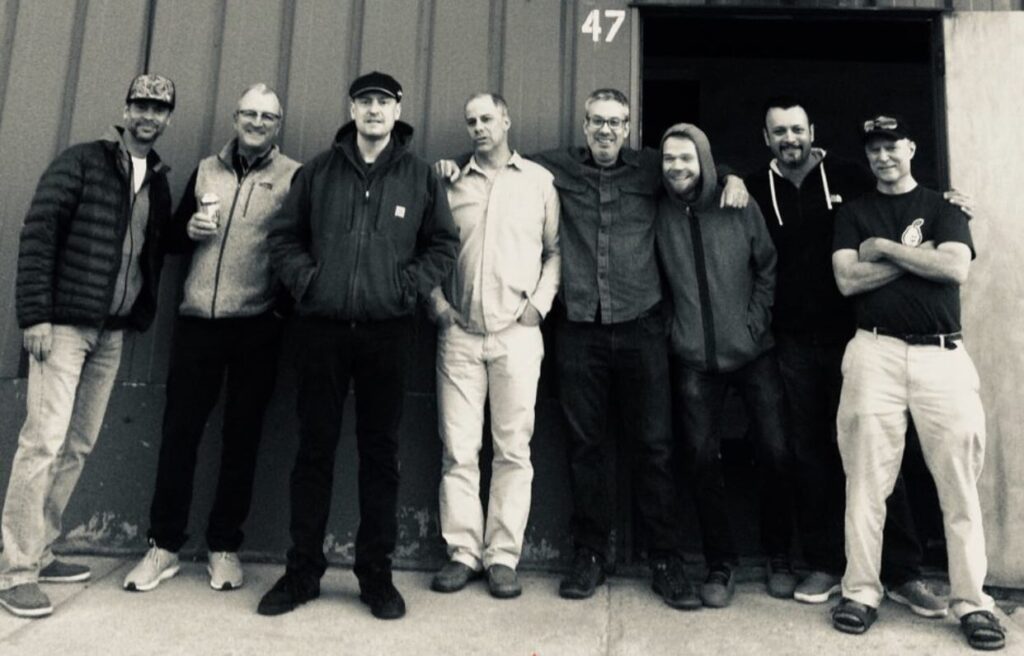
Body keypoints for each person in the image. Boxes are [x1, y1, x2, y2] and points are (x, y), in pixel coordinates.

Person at [435, 88, 748, 610]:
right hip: (580, 329)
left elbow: (693, 168)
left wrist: (732, 175)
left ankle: (665, 560)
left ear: (627, 128)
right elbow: (493, 158)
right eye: (597, 122)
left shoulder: (650, 167)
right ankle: (590, 555)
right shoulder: (555, 168)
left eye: (615, 122)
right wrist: (449, 166)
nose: (605, 130)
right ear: (584, 126)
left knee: (654, 447)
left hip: (641, 327)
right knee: (586, 448)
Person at [258, 71, 458, 620]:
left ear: (397, 111)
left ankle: (376, 577)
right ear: (352, 109)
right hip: (321, 331)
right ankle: (302, 573)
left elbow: (443, 243)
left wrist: (405, 288)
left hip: (387, 332)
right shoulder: (318, 172)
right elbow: (283, 238)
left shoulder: (419, 177)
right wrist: (309, 283)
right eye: (365, 101)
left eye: (383, 102)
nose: (374, 110)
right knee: (314, 452)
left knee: (380, 455)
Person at [744, 97, 943, 614]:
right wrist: (725, 178)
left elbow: (905, 198)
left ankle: (902, 571)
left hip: (857, 336)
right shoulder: (753, 187)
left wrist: (949, 203)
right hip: (791, 342)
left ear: (812, 130)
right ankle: (826, 562)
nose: (789, 139)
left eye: (797, 128)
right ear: (766, 139)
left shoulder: (851, 176)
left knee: (879, 451)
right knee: (810, 453)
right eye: (779, 131)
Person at [0, 74, 175, 618]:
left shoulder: (159, 181)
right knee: (43, 443)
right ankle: (14, 570)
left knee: (77, 444)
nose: (148, 115)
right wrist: (36, 316)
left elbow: (153, 248)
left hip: (111, 332)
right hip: (63, 328)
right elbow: (38, 234)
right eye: (140, 105)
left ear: (168, 118)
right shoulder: (81, 162)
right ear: (125, 109)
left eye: (159, 108)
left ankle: (41, 548)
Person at [829, 114, 1003, 651]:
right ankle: (861, 591)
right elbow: (847, 279)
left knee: (959, 486)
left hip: (941, 355)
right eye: (874, 149)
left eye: (892, 146)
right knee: (865, 483)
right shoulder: (854, 212)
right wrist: (921, 257)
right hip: (874, 351)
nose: (883, 156)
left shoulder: (945, 207)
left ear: (911, 148)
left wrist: (885, 249)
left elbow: (955, 269)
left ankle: (972, 602)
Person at [122, 84, 300, 593]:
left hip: (256, 325)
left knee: (242, 439)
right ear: (235, 118)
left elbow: (299, 248)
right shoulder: (206, 169)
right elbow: (171, 239)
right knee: (180, 435)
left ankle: (224, 547)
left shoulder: (293, 176)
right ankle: (164, 546)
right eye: (249, 113)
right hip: (198, 322)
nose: (257, 122)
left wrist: (278, 312)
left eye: (267, 116)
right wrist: (191, 230)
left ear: (278, 125)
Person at [428, 93, 560, 600]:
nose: (479, 127)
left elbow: (554, 252)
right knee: (459, 449)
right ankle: (463, 552)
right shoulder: (450, 183)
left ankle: (503, 556)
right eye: (471, 121)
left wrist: (538, 307)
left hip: (517, 334)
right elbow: (425, 248)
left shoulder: (539, 182)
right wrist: (438, 307)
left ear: (506, 119)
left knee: (513, 449)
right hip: (459, 334)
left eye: (487, 118)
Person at [656, 123, 792, 609]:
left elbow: (768, 265)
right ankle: (721, 562)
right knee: (699, 458)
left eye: (686, 158)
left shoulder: (738, 202)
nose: (677, 167)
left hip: (753, 352)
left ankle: (779, 554)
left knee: (775, 451)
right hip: (693, 356)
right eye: (669, 158)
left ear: (705, 161)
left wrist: (755, 323)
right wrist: (674, 329)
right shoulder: (657, 208)